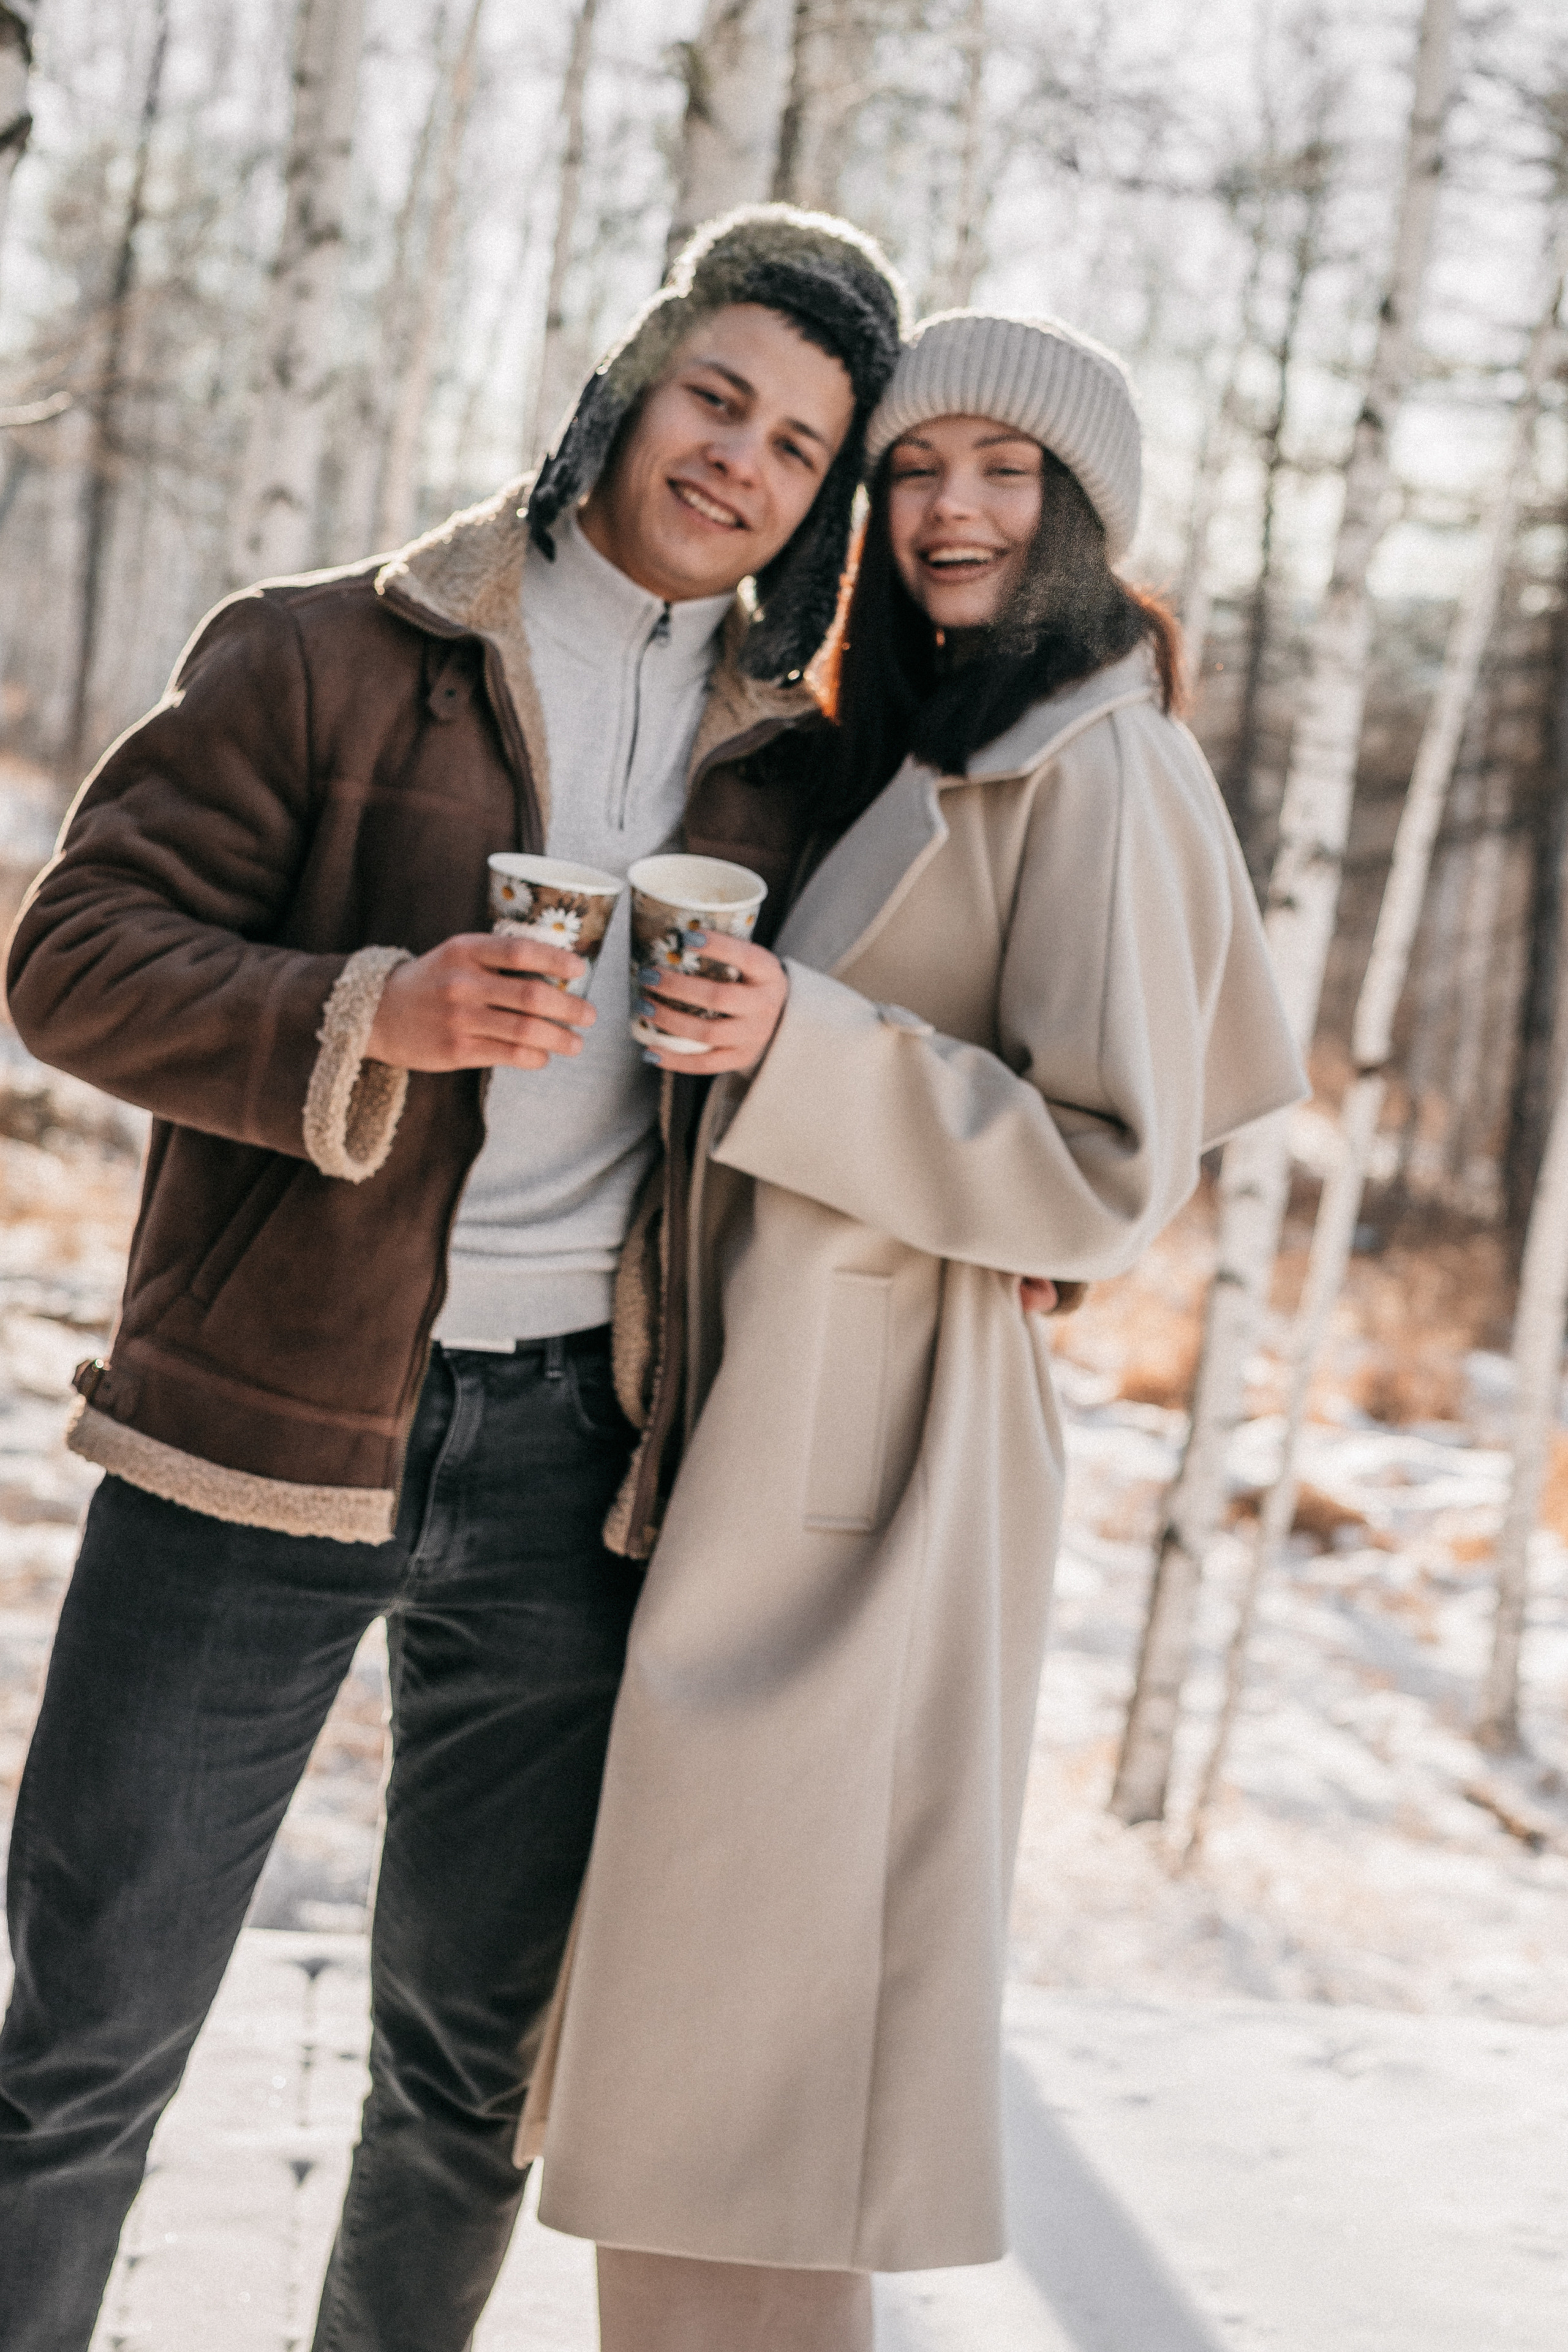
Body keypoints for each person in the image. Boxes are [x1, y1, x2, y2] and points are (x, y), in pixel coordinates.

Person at [0, 205, 904, 2352]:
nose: (739, 463)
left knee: (465, 2093)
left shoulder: (795, 766)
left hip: (579, 1465)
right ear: (631, 380)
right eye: (717, 399)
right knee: (84, 2051)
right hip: (259, 1426)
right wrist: (373, 1013)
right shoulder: (329, 647)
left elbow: (927, 1036)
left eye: (796, 449)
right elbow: (69, 959)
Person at [519, 311, 1310, 2351]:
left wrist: (807, 1043)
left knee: (761, 2063)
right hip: (774, 1417)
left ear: (1079, 510)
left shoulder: (1094, 756)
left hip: (888, 1452)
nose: (949, 509)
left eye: (1003, 472)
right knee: (713, 2056)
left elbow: (1114, 1160)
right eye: (915, 471)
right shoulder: (940, 727)